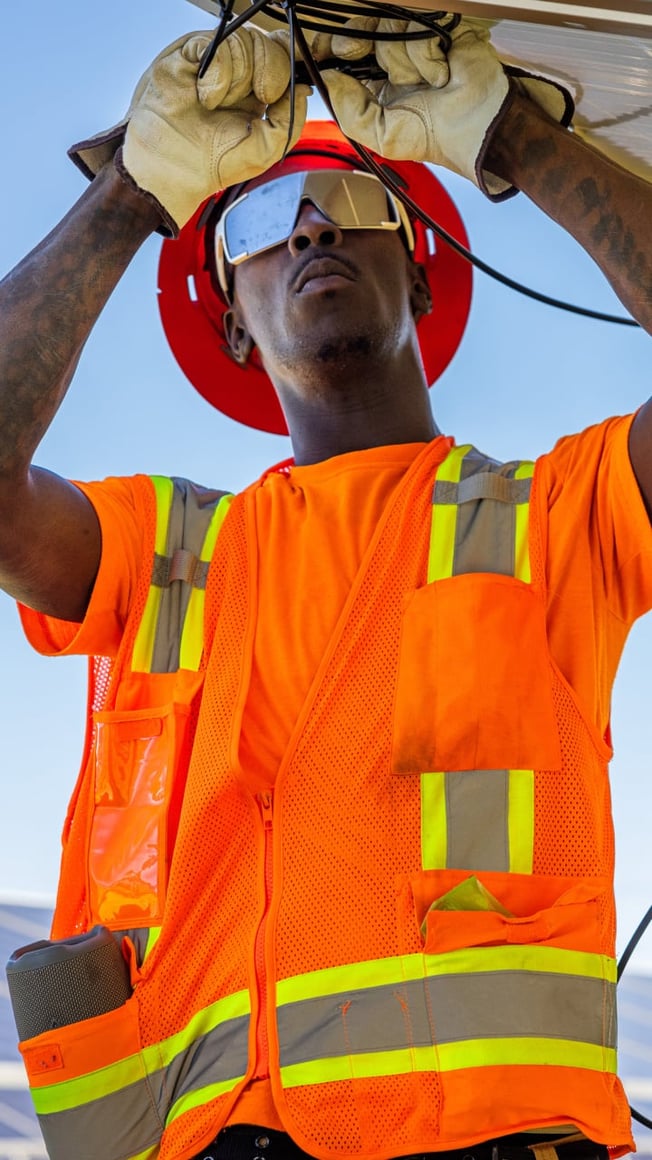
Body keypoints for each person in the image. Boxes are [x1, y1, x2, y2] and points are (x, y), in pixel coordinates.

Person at [0, 14, 651, 1160]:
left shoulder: (559, 518)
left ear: (421, 264)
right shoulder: (163, 550)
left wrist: (511, 139)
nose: (308, 225)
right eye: (258, 219)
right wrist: (129, 196)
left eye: (354, 204)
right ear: (232, 321)